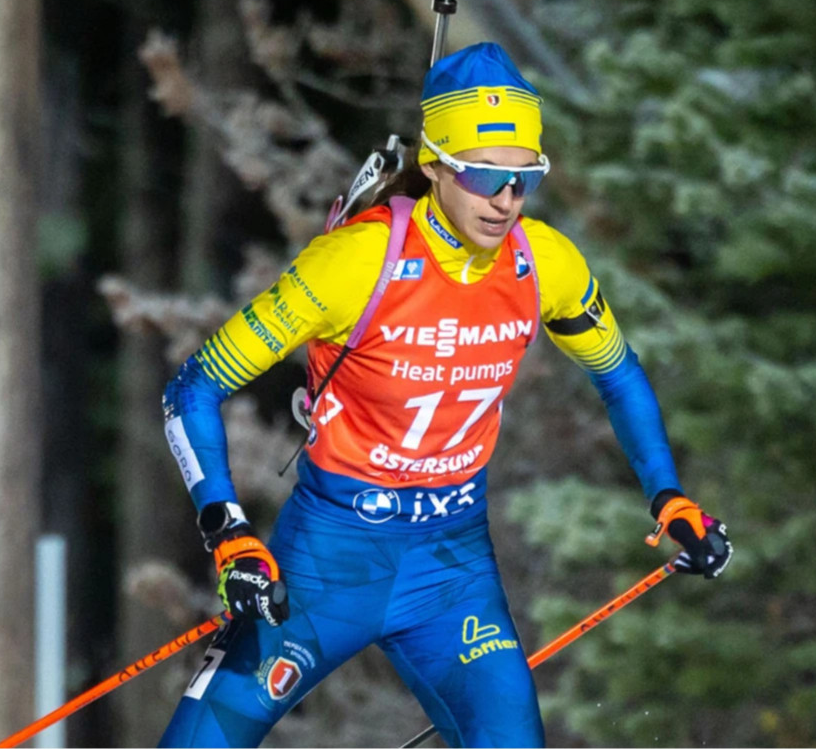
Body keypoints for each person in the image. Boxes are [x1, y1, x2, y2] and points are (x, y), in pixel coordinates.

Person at [158, 43, 731, 748]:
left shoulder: (542, 260)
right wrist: (230, 536)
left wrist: (666, 495)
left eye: (525, 179)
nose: (505, 199)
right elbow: (193, 388)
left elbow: (617, 374)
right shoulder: (353, 262)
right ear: (433, 165)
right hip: (332, 560)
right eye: (484, 174)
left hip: (451, 567)